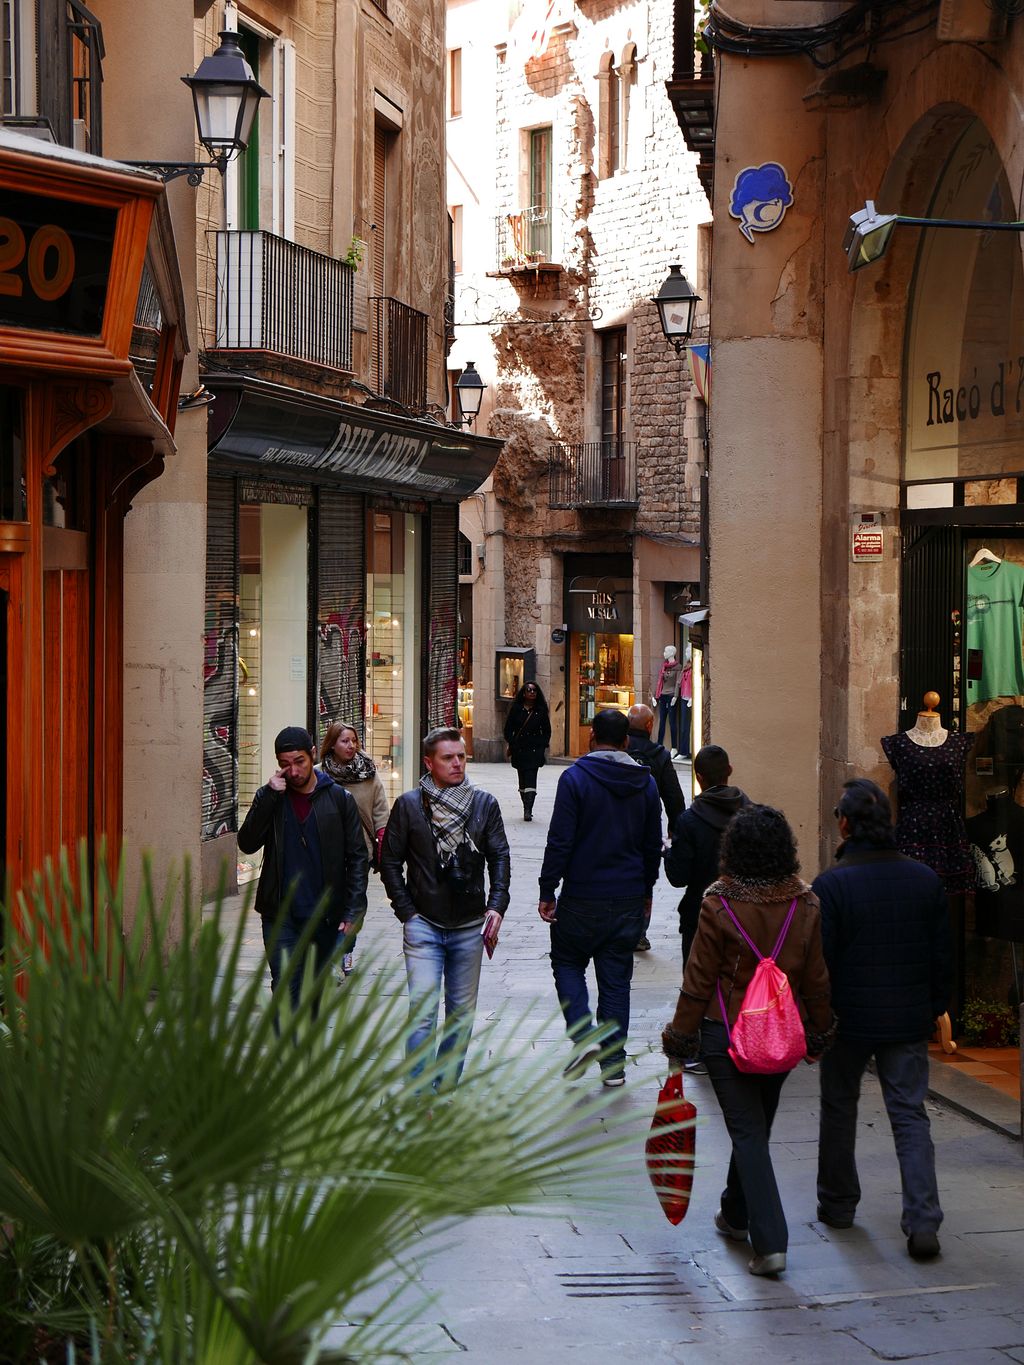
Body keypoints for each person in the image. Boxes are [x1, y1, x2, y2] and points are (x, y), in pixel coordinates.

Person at [662, 805, 833, 1277]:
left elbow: (698, 979)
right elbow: (817, 978)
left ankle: (772, 1241)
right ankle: (735, 1215)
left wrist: (680, 1039)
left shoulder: (719, 902)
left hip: (724, 1031)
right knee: (753, 1128)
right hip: (780, 1034)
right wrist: (820, 1031)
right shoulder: (806, 903)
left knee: (748, 1131)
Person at [813, 778, 952, 1262]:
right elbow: (941, 956)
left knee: (839, 1106)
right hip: (907, 1017)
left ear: (847, 825)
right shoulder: (924, 879)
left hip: (848, 1018)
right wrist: (935, 1006)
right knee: (910, 1116)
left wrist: (818, 1017)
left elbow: (821, 962)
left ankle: (837, 1203)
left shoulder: (830, 886)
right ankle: (924, 1219)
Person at [538, 708, 662, 1087]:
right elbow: (651, 845)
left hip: (582, 895)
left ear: (592, 737)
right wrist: (647, 889)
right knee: (615, 980)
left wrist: (548, 889)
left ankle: (581, 1032)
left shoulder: (575, 779)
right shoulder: (646, 783)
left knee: (568, 961)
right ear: (626, 742)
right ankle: (613, 1065)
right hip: (626, 896)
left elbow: (561, 839)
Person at [380, 727, 510, 1089]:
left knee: (460, 1016)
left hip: (470, 926)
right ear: (428, 762)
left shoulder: (484, 804)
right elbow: (390, 861)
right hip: (423, 923)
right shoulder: (408, 805)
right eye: (447, 757)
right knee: (422, 1014)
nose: (457, 763)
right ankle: (419, 1091)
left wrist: (497, 904)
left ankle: (445, 1088)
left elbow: (500, 856)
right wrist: (406, 911)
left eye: (461, 756)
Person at [238, 725, 368, 1013]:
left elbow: (357, 858)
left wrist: (353, 910)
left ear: (312, 755)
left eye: (299, 762)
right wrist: (269, 798)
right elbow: (247, 843)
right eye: (285, 764)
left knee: (312, 995)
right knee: (284, 988)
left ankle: (304, 1053)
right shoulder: (270, 797)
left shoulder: (338, 799)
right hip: (279, 915)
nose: (293, 771)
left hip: (324, 916)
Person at [665, 745, 749, 962]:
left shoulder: (689, 821)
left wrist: (668, 853)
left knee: (698, 987)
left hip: (701, 915)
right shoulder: (753, 815)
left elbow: (678, 877)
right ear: (729, 770)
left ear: (699, 777)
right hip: (746, 914)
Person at [319, 721, 390, 977]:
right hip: (325, 853)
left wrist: (383, 839)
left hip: (360, 852)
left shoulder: (368, 773)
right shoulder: (319, 774)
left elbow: (381, 809)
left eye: (353, 740)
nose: (351, 746)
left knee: (355, 904)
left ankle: (344, 949)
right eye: (344, 741)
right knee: (330, 904)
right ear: (332, 744)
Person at [626, 702, 685, 953]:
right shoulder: (659, 755)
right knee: (645, 879)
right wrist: (675, 826)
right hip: (647, 829)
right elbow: (674, 797)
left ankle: (618, 927)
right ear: (650, 725)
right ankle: (639, 933)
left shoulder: (618, 749)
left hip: (615, 827)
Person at [503, 681, 552, 821]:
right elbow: (508, 729)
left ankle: (528, 809)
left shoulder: (540, 711)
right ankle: (525, 804)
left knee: (531, 777)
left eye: (534, 690)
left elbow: (547, 731)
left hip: (534, 750)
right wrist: (512, 742)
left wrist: (542, 746)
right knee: (523, 780)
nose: (532, 693)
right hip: (519, 749)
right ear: (523, 693)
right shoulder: (516, 709)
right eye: (529, 690)